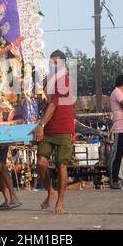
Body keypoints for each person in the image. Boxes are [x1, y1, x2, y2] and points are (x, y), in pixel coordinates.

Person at [33, 50, 75, 214]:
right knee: (41, 162)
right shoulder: (52, 80)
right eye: (51, 63)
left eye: (56, 63)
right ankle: (50, 190)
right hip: (49, 128)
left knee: (61, 165)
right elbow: (42, 94)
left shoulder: (64, 80)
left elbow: (53, 105)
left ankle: (60, 202)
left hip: (63, 128)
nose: (53, 66)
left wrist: (41, 125)